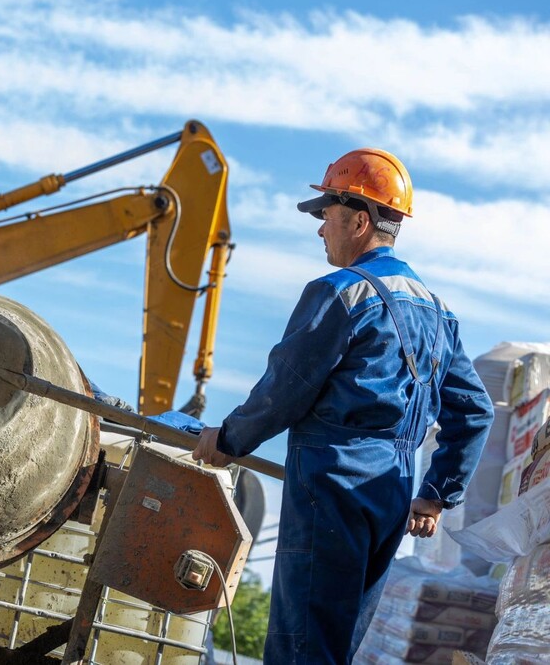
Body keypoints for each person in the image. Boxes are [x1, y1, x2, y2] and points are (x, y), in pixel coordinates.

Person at [192, 148, 493, 663]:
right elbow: (474, 412)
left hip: (331, 485)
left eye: (326, 215)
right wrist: (435, 494)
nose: (319, 230)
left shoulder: (340, 292)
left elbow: (284, 388)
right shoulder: (440, 313)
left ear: (359, 220)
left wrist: (228, 439)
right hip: (392, 493)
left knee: (302, 647)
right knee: (336, 649)